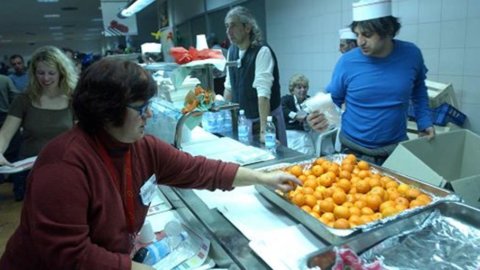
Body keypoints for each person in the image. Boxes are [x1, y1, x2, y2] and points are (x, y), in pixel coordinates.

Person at [0, 58, 299, 269]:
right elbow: (71, 257)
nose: (150, 116)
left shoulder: (141, 147)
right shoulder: (64, 166)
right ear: (106, 111)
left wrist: (264, 178)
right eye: (141, 108)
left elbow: (199, 169)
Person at [307, 0, 435, 165]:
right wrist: (318, 118)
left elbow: (419, 91)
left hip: (394, 152)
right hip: (352, 151)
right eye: (357, 34)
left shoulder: (411, 55)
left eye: (367, 35)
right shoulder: (347, 62)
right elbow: (332, 100)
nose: (360, 41)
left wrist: (424, 121)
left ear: (387, 30)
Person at [0, 46, 78, 201]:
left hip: (65, 167)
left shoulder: (73, 100)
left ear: (61, 72)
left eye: (51, 73)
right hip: (31, 170)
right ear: (34, 74)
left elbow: (80, 136)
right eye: (40, 73)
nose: (46, 78)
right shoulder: (24, 100)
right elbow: (5, 134)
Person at [224, 6, 287, 146]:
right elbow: (229, 87)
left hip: (265, 120)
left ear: (247, 28)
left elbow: (263, 94)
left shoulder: (262, 51)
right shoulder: (231, 51)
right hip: (243, 120)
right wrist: (224, 119)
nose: (228, 32)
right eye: (227, 27)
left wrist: (265, 132)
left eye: (233, 26)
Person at [281, 74, 315, 155]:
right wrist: (295, 116)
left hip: (305, 136)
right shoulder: (287, 99)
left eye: (305, 87)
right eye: (299, 87)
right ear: (292, 90)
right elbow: (282, 109)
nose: (303, 90)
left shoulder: (310, 101)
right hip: (290, 136)